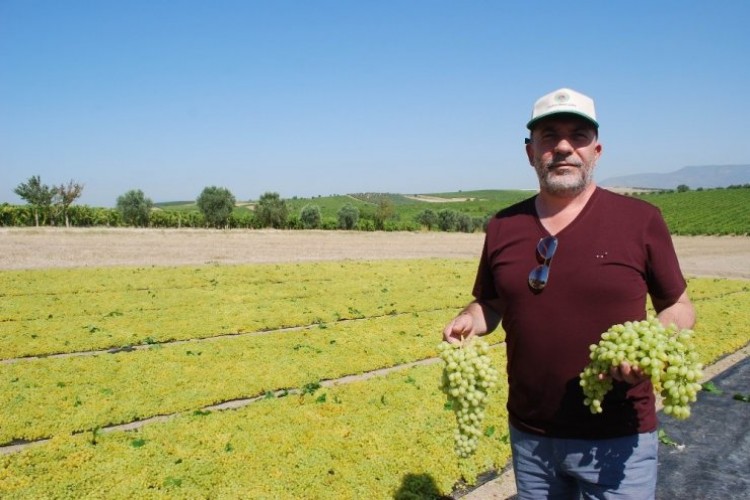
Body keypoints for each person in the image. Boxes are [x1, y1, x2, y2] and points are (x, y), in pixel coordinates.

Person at [443, 88, 695, 499]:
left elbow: (679, 307)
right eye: (549, 136)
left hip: (617, 441)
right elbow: (490, 303)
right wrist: (469, 320)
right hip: (531, 437)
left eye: (577, 136)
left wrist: (655, 341)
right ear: (530, 152)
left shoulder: (641, 220)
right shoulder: (504, 226)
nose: (563, 147)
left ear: (596, 150)